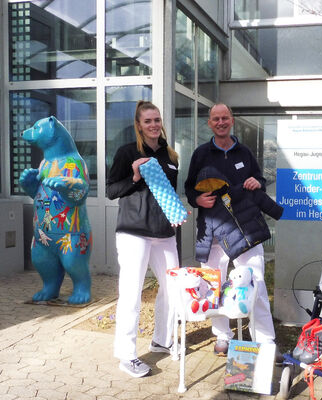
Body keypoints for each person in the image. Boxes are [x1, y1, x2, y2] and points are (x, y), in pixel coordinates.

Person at [184, 103, 279, 356]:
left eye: (225, 118)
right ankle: (223, 336)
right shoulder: (200, 154)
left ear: (232, 120)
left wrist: (256, 181)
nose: (221, 122)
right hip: (213, 233)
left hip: (245, 232)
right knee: (214, 287)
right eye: (216, 118)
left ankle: (266, 341)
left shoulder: (245, 152)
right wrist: (197, 200)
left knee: (255, 284)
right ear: (209, 123)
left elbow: (260, 180)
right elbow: (189, 189)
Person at [107, 100, 179, 378]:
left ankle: (162, 340)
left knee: (173, 289)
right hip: (134, 232)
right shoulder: (127, 152)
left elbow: (168, 195)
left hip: (164, 233)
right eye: (147, 121)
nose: (153, 125)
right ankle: (126, 355)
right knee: (131, 293)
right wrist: (135, 176)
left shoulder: (171, 156)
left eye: (157, 120)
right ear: (139, 125)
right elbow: (112, 191)